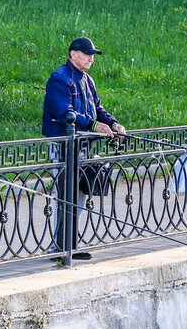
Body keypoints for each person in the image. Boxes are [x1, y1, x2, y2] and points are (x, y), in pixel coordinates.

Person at [42, 36, 126, 261]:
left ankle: (69, 244)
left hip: (83, 146)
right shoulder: (59, 78)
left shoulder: (87, 80)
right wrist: (93, 125)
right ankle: (60, 248)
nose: (91, 58)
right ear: (73, 54)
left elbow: (98, 109)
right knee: (66, 194)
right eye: (87, 54)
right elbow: (64, 113)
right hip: (63, 145)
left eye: (93, 55)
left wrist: (113, 123)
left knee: (78, 194)